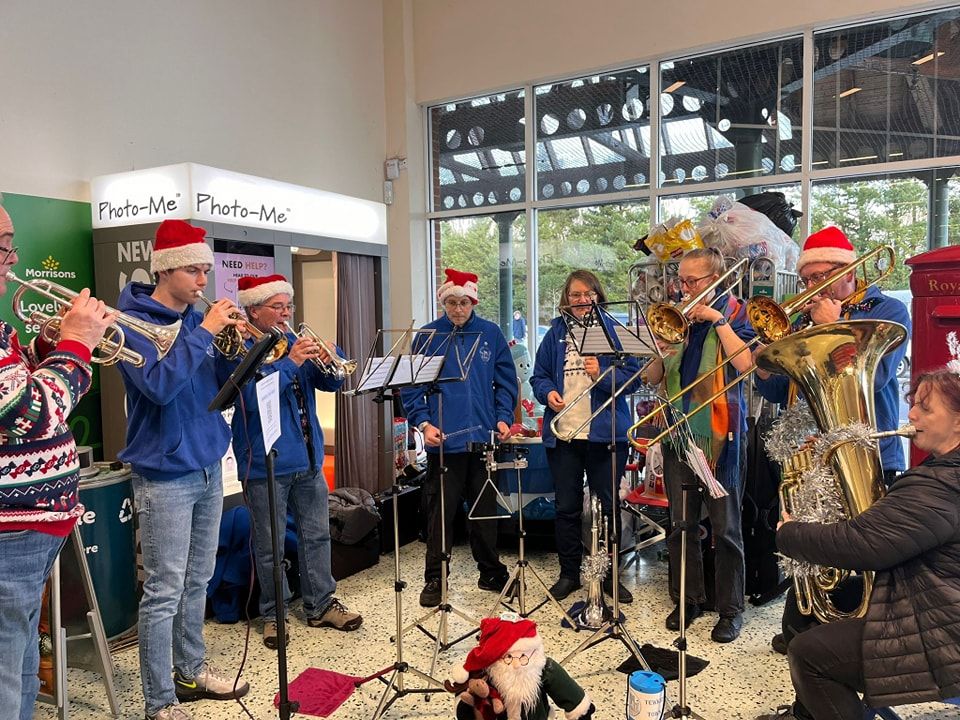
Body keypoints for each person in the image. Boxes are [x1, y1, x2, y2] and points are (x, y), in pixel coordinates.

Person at [757, 365, 960, 720]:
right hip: (933, 593)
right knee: (805, 608)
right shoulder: (943, 470)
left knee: (809, 654)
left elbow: (863, 544)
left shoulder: (942, 485)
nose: (910, 413)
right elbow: (893, 528)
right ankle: (808, 712)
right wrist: (823, 467)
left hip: (944, 629)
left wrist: (788, 533)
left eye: (926, 409)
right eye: (914, 404)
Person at [755, 227, 911, 654]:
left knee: (857, 553)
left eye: (824, 276)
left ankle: (844, 644)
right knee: (811, 547)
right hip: (813, 454)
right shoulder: (803, 322)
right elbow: (778, 394)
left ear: (851, 272)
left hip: (869, 454)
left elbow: (876, 375)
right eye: (808, 279)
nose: (813, 287)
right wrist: (765, 366)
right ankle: (804, 628)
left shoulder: (887, 309)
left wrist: (836, 326)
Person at [117, 220, 250, 720]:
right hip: (165, 473)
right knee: (163, 590)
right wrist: (209, 330)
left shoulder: (196, 318)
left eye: (205, 269)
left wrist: (240, 351)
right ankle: (159, 702)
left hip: (208, 463)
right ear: (167, 269)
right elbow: (160, 386)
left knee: (200, 577)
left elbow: (212, 381)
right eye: (195, 269)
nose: (203, 279)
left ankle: (190, 670)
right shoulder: (131, 321)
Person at [0, 204, 115, 720]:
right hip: (12, 531)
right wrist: (75, 345)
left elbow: (15, 388)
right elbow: (31, 411)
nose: (14, 258)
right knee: (6, 669)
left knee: (21, 662)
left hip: (30, 527)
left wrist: (48, 344)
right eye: (5, 244)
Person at [228, 274, 362, 649]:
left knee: (317, 536)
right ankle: (273, 614)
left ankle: (320, 604)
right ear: (254, 310)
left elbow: (332, 385)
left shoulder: (290, 343)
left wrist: (327, 359)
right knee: (269, 545)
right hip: (265, 462)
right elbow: (251, 400)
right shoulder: (238, 347)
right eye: (278, 307)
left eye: (289, 306)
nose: (287, 313)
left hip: (306, 458)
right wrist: (289, 363)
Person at [642, 247, 756, 643]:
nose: (684, 289)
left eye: (693, 281)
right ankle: (688, 599)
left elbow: (746, 366)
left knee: (726, 529)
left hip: (722, 436)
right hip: (678, 432)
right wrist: (657, 348)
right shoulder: (679, 319)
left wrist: (718, 320)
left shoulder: (738, 313)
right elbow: (654, 376)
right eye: (682, 281)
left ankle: (731, 609)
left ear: (718, 279)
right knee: (681, 525)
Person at [400, 268, 518, 607]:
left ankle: (490, 571)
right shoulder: (427, 336)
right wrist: (423, 424)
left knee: (484, 511)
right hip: (444, 442)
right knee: (441, 513)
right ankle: (436, 577)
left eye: (463, 303)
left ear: (473, 301)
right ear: (443, 303)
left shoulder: (490, 334)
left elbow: (506, 382)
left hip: (482, 439)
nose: (457, 309)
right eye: (451, 303)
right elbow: (413, 388)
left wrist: (501, 417)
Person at [531, 269, 640, 604]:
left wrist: (603, 375)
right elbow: (539, 377)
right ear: (567, 299)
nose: (581, 301)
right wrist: (547, 393)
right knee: (566, 508)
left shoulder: (616, 330)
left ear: (598, 295)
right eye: (575, 295)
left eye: (587, 294)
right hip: (564, 434)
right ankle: (569, 574)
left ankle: (609, 576)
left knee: (608, 508)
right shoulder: (554, 334)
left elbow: (634, 378)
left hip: (606, 435)